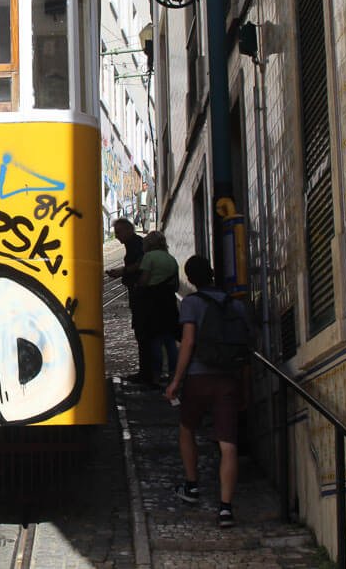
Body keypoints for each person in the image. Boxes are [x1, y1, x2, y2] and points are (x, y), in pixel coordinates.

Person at [164, 255, 249, 528]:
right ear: (212, 274)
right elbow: (246, 350)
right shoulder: (236, 306)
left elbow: (187, 343)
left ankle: (192, 486)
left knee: (187, 429)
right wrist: (244, 388)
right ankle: (226, 508)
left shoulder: (191, 303)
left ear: (190, 279)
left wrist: (176, 380)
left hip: (199, 378)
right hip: (228, 379)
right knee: (228, 444)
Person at [106, 218, 149, 384]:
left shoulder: (137, 244)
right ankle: (145, 372)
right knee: (140, 332)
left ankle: (146, 374)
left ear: (129, 230)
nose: (117, 237)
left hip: (140, 294)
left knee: (142, 332)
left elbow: (141, 264)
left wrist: (122, 271)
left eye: (118, 232)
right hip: (136, 293)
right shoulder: (133, 243)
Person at [135, 231, 180, 385]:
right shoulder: (171, 259)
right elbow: (176, 285)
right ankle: (174, 375)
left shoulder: (149, 257)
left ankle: (156, 376)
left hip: (153, 304)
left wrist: (138, 286)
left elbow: (144, 280)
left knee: (155, 341)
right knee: (170, 340)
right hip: (169, 303)